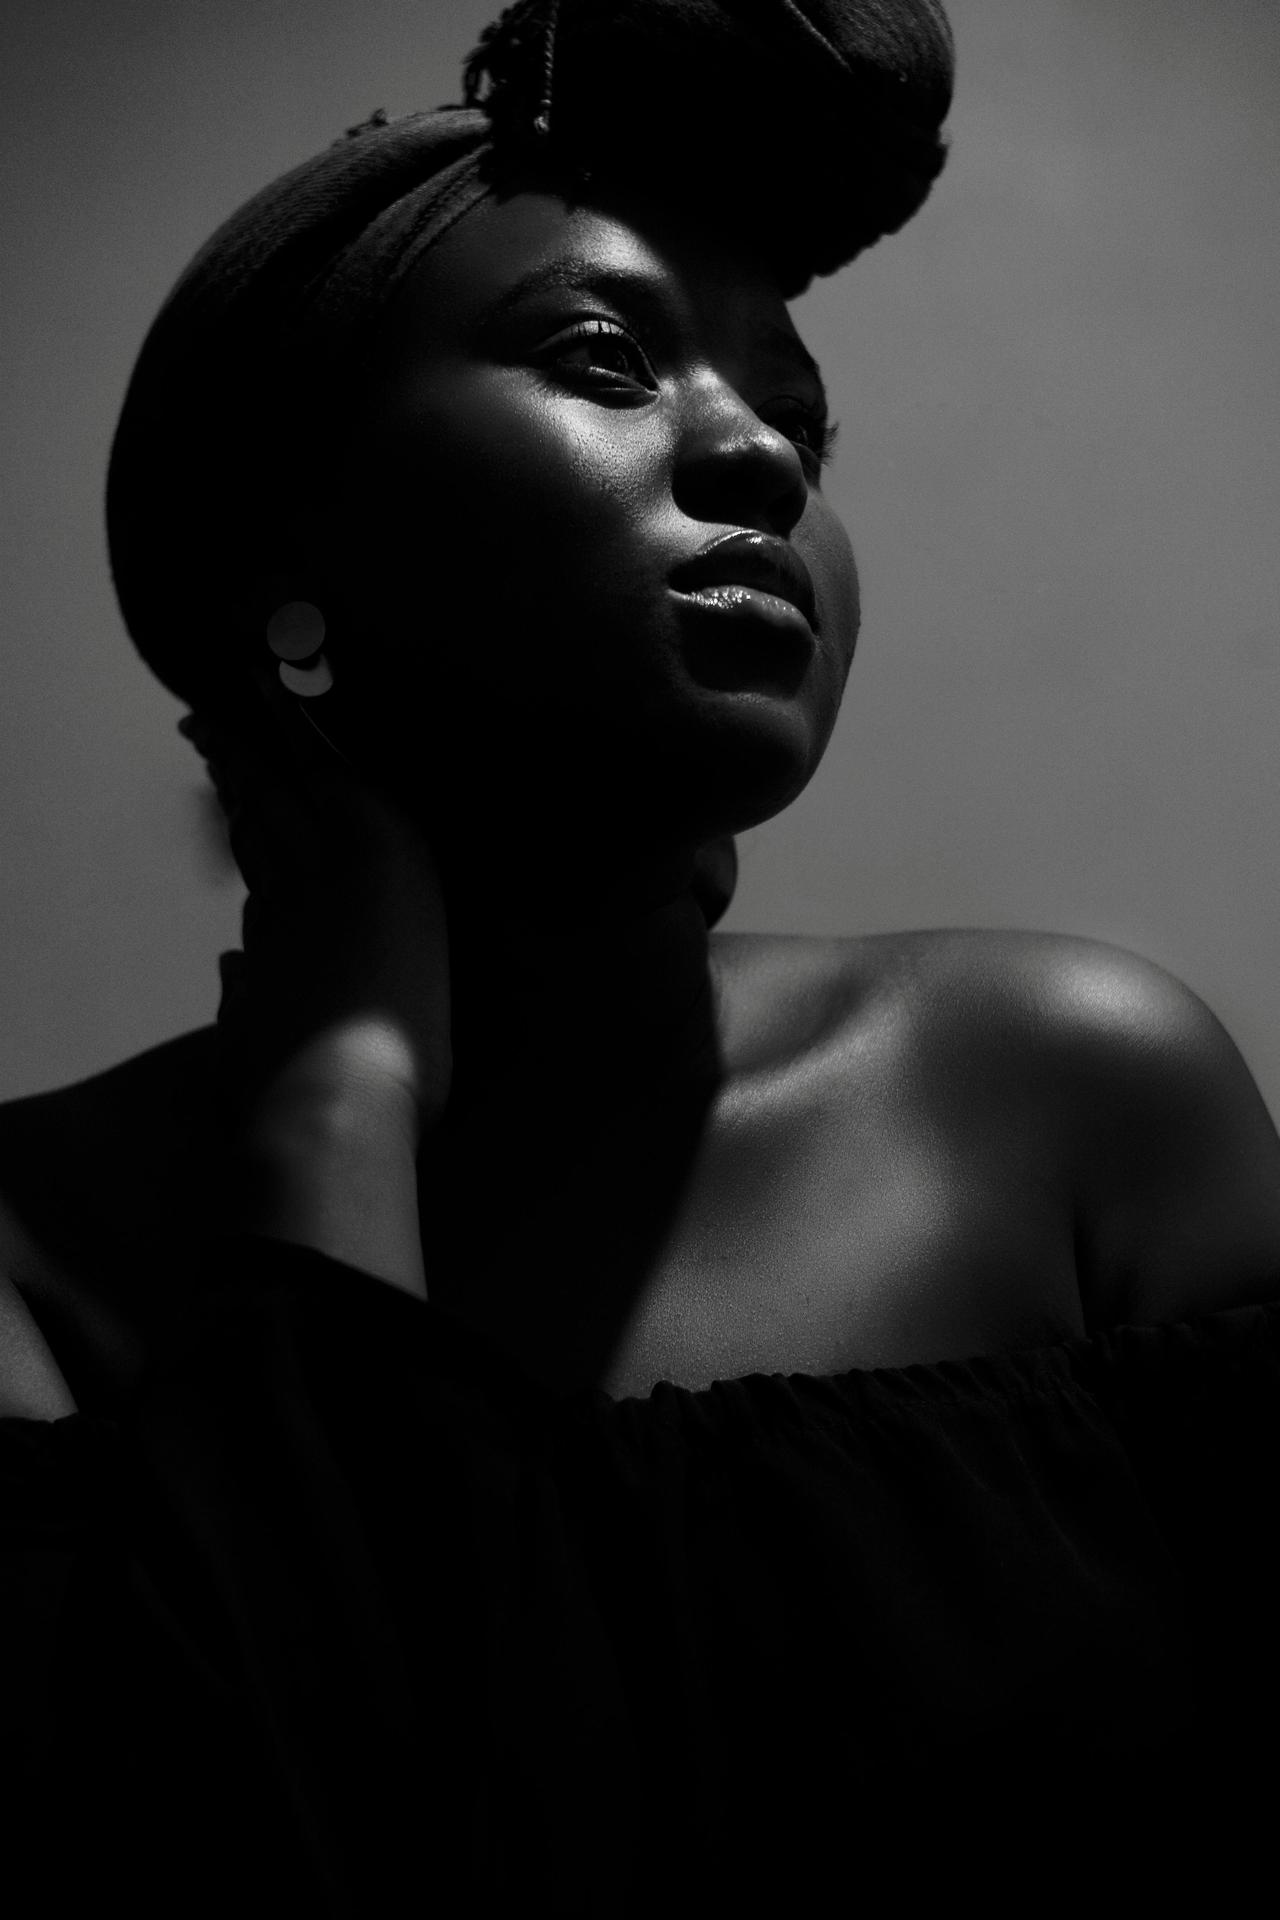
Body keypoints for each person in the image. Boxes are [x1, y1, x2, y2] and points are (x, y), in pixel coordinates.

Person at [2, 1, 1279, 1910]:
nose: (759, 451)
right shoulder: (36, 1259)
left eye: (802, 417)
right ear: (285, 547)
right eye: (600, 358)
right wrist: (340, 1107)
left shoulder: (1074, 1097)